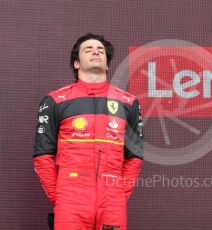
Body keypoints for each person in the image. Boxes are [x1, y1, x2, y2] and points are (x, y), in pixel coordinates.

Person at [33, 33, 143, 230]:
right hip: (71, 196)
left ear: (108, 65)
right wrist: (59, 195)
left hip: (112, 198)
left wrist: (119, 192)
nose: (96, 52)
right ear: (76, 63)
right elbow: (43, 155)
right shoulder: (55, 100)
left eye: (101, 50)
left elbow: (134, 156)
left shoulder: (128, 102)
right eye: (88, 49)